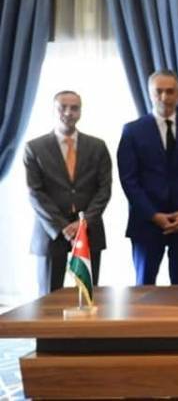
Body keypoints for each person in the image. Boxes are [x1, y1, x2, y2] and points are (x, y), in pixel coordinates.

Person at [117, 70, 178, 285]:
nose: (164, 97)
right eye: (158, 92)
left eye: (170, 91)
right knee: (144, 286)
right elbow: (129, 181)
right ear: (150, 93)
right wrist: (153, 215)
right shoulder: (132, 131)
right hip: (146, 223)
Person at [24, 90, 112, 295]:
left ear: (80, 111)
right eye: (62, 107)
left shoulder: (98, 146)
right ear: (53, 110)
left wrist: (83, 223)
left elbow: (104, 189)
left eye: (74, 108)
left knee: (87, 296)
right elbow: (35, 192)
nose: (68, 112)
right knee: (48, 298)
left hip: (89, 230)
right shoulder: (34, 147)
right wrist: (63, 227)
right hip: (51, 232)